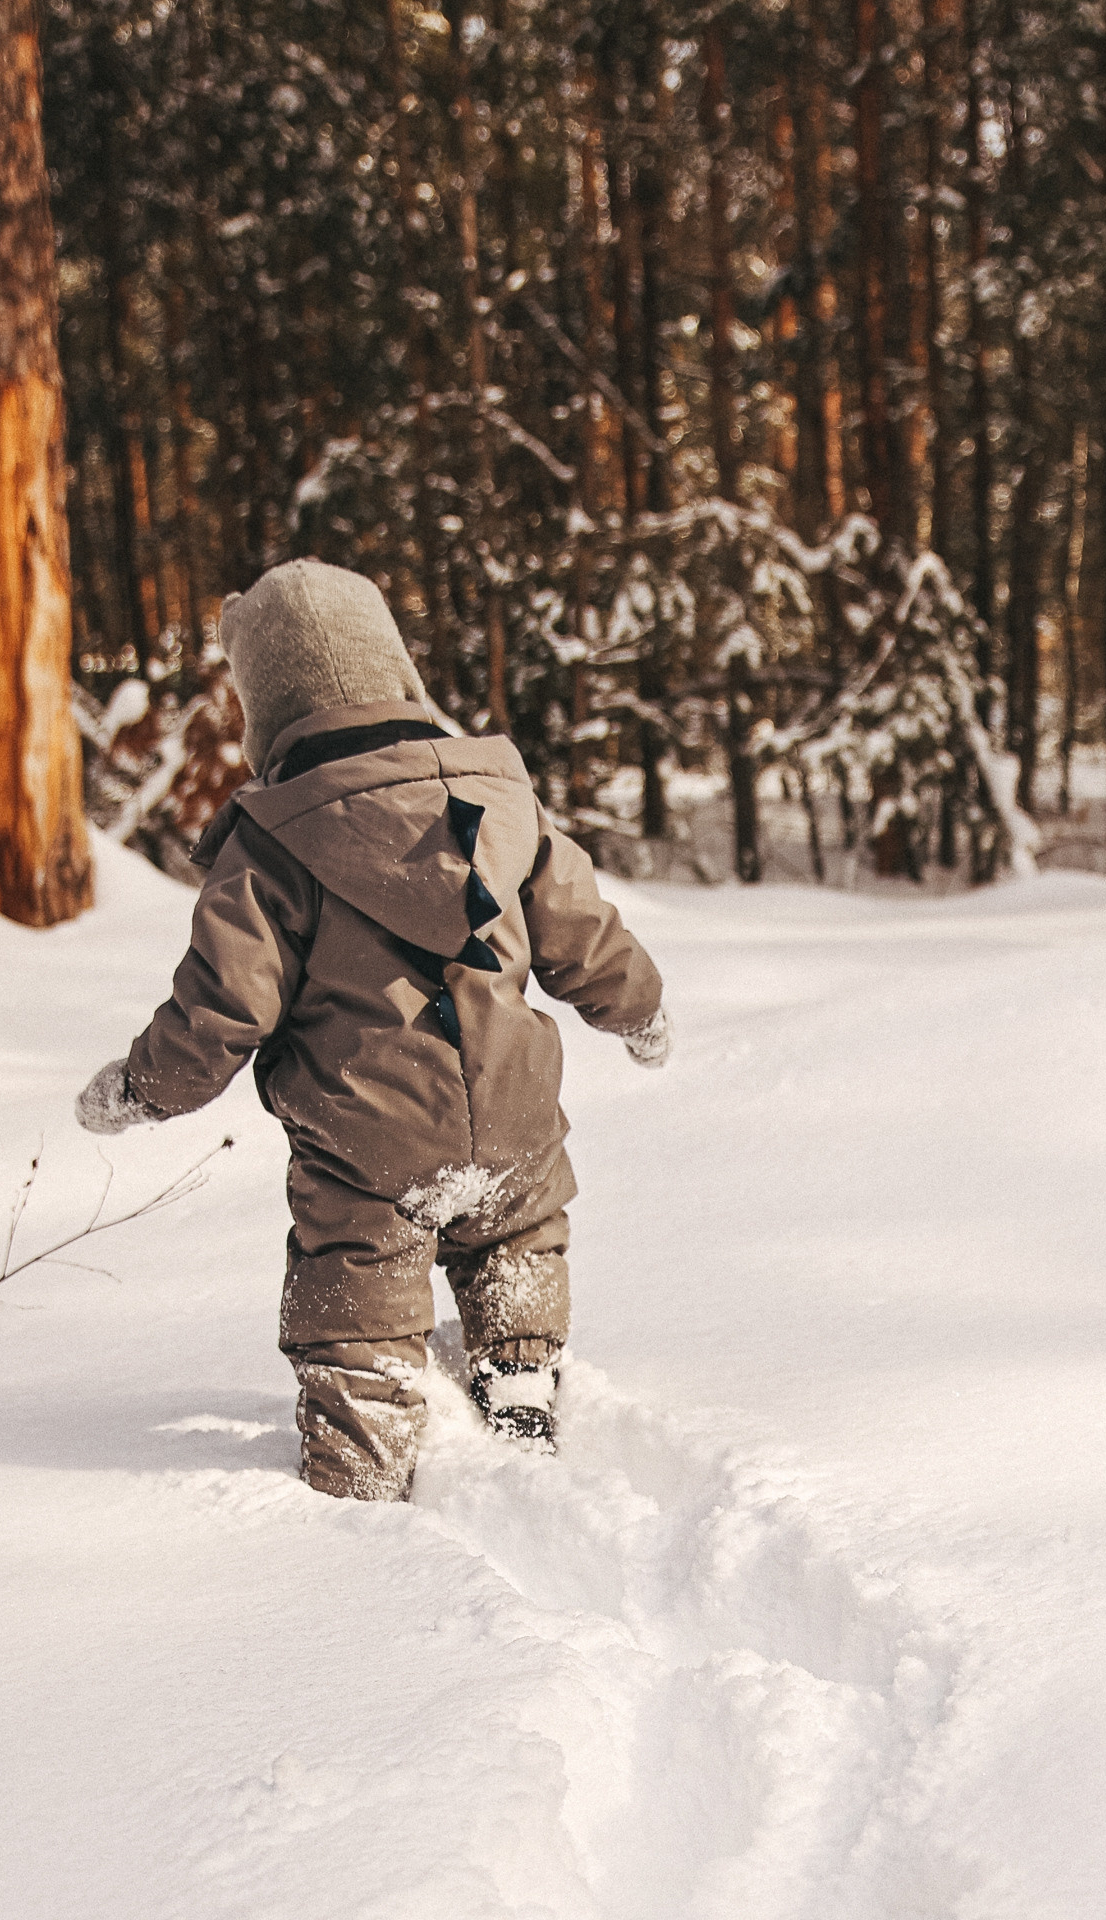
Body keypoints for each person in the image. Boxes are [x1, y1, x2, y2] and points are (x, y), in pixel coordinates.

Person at [76, 560, 669, 1495]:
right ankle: (516, 1378)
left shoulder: (274, 843)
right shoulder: (501, 801)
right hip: (514, 1113)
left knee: (356, 1290)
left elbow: (224, 1005)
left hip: (368, 1143)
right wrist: (639, 1011)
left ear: (264, 706)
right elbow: (583, 937)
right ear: (394, 668)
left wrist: (144, 1087)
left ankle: (363, 1475)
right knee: (513, 1241)